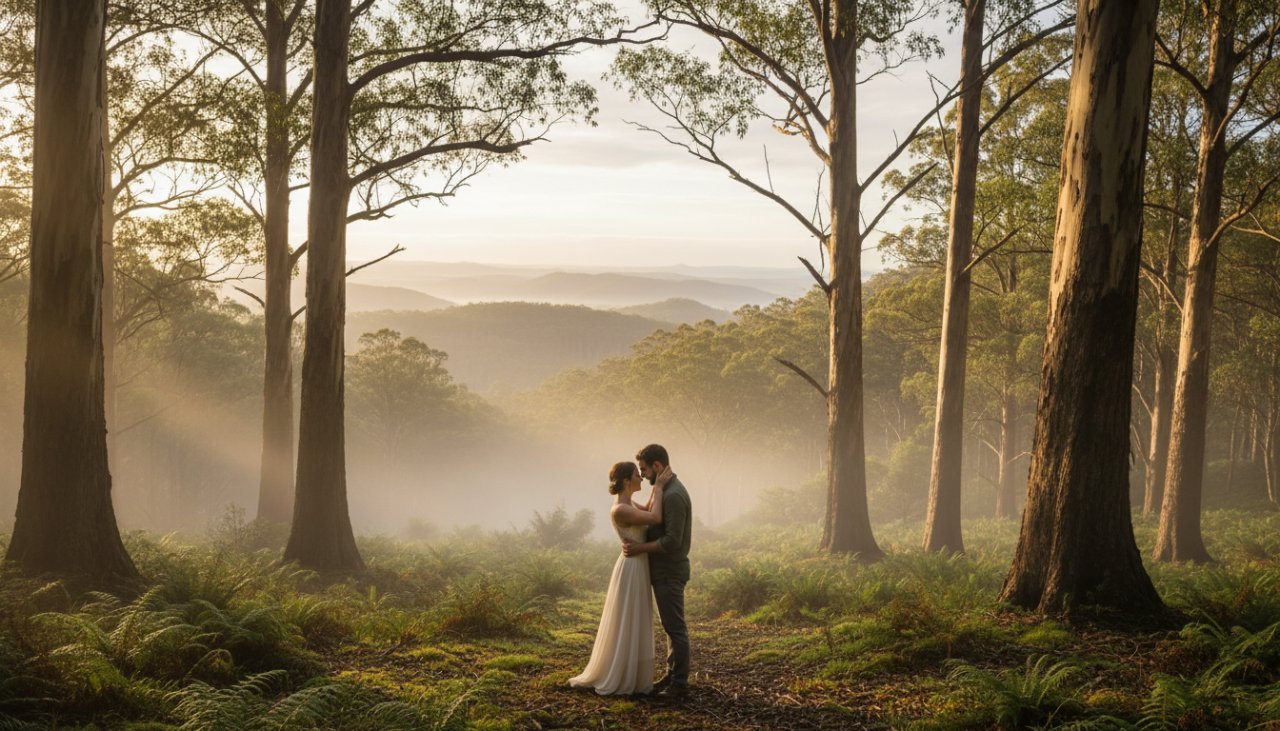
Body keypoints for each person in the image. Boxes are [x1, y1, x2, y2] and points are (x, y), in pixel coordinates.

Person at [569, 460, 672, 695]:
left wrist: (658, 486)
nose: (641, 478)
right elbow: (655, 518)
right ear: (627, 481)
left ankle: (632, 674)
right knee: (629, 616)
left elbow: (647, 509)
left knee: (635, 616)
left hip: (638, 563)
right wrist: (659, 487)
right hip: (632, 566)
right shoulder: (620, 509)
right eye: (637, 474)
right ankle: (622, 674)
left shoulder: (628, 503)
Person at [622, 444, 691, 700]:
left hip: (670, 570)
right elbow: (649, 512)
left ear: (657, 467)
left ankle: (680, 683)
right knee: (670, 626)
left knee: (676, 628)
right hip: (663, 570)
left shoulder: (672, 496)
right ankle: (672, 674)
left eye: (644, 469)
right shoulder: (665, 491)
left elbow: (672, 540)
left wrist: (640, 547)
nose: (643, 474)